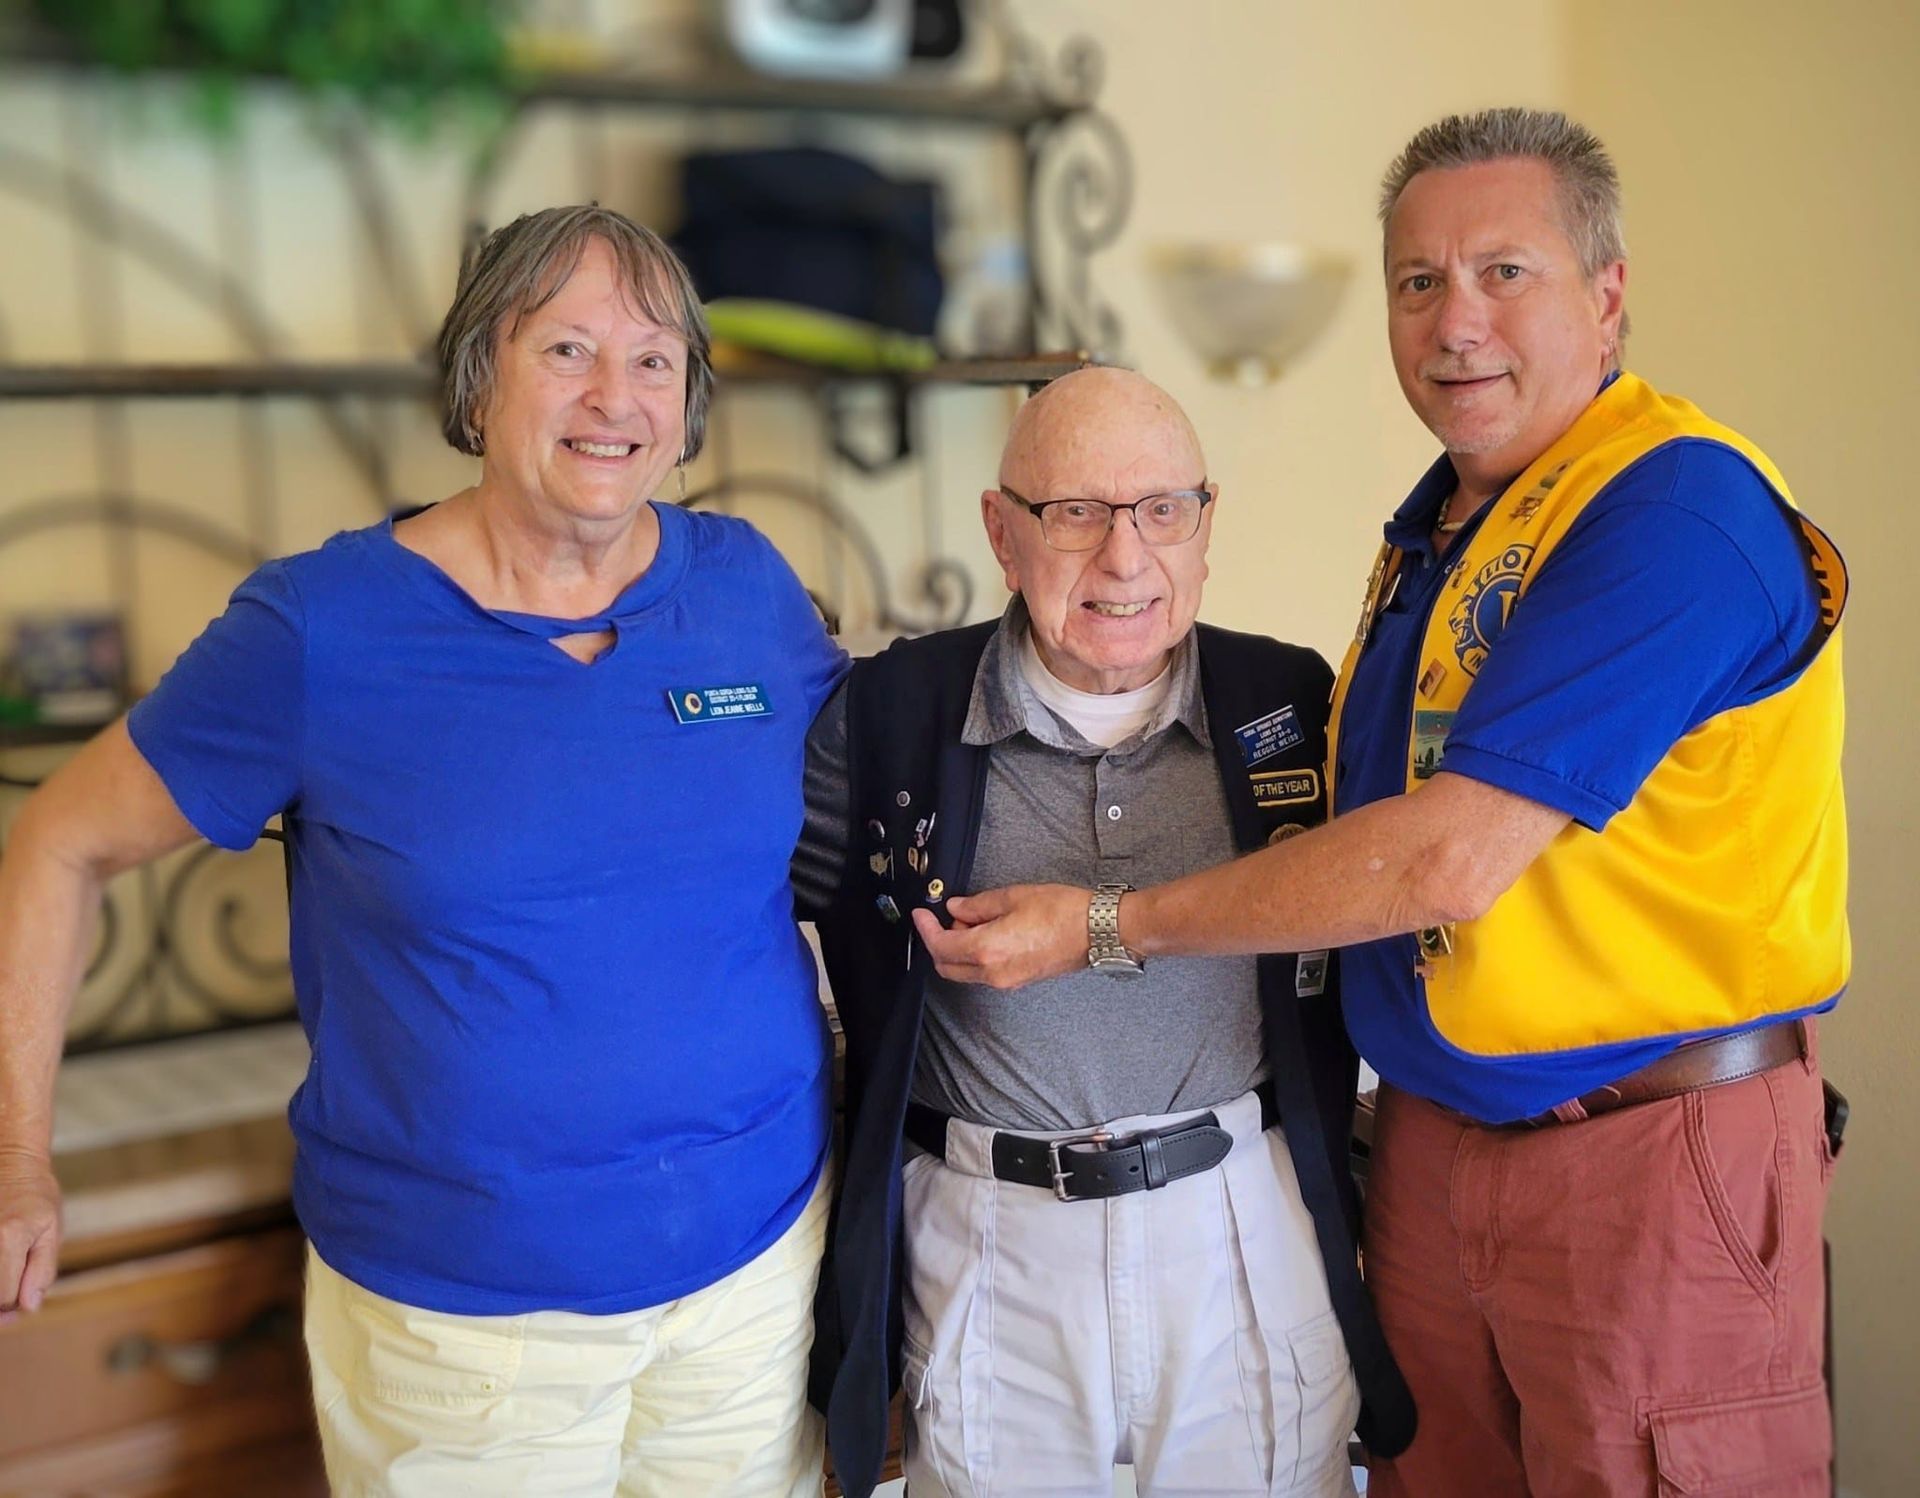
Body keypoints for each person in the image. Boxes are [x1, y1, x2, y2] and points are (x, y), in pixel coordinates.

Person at [914, 109, 1848, 1496]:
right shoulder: (1444, 531)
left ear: (1607, 295)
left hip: (1645, 1157)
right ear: (1007, 534)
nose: (1455, 321)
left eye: (1504, 273)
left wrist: (1105, 923)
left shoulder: (1676, 514)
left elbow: (1443, 861)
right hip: (1424, 1149)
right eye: (1419, 281)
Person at [0, 205, 847, 1496]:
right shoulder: (320, 630)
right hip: (462, 1334)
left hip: (753, 1284)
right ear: (477, 375)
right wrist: (17, 1154)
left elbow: (878, 798)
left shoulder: (748, 591)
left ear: (688, 405)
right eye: (566, 349)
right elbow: (61, 838)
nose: (614, 396)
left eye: (654, 359)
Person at [797, 367, 1415, 1498]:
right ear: (1002, 532)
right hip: (994, 1240)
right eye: (1075, 513)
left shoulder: (1287, 702)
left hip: (1240, 1228)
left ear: (1207, 524)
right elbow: (729, 889)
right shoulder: (890, 711)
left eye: (1163, 511)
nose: (1126, 559)